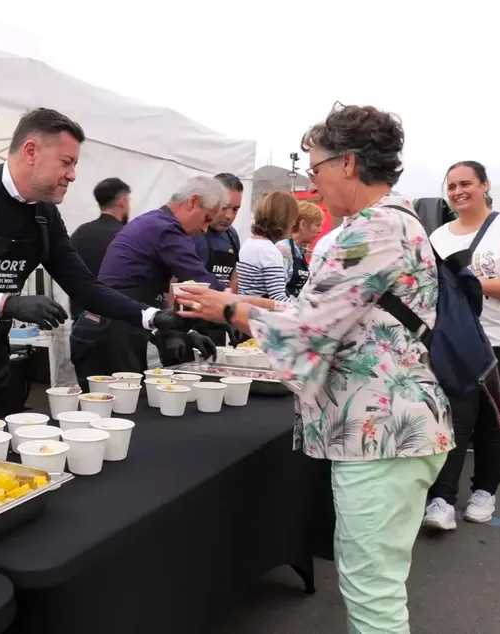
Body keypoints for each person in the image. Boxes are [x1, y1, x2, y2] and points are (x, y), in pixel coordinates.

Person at [174, 105, 453, 634]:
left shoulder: (373, 229)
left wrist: (228, 309)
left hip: (384, 433)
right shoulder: (392, 223)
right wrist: (240, 303)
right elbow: (322, 313)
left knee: (373, 596)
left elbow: (308, 334)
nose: (312, 178)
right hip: (392, 429)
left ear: (347, 163)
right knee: (373, 584)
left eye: (314, 164)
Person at [0, 108, 182, 441]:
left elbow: (85, 286)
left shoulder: (44, 215)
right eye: (67, 162)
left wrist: (153, 317)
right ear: (31, 152)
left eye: (75, 165)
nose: (73, 175)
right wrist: (9, 304)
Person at [422, 161, 500, 531]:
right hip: (459, 348)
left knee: (499, 424)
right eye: (452, 186)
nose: (459, 192)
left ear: (484, 185)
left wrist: (474, 285)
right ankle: (442, 500)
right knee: (453, 423)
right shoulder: (439, 236)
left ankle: (484, 492)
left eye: (466, 184)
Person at [69, 176, 226, 387]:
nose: (206, 229)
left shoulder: (153, 221)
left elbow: (152, 294)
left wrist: (184, 332)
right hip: (111, 331)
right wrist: (236, 310)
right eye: (207, 219)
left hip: (105, 327)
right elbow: (199, 280)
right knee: (120, 410)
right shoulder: (166, 229)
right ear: (193, 202)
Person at [69, 177, 131, 317]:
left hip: (82, 321)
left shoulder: (79, 233)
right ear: (123, 201)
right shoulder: (128, 236)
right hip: (116, 321)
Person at [236, 192, 300, 303]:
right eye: (293, 219)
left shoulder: (249, 243)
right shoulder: (269, 252)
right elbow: (277, 298)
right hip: (261, 314)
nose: (294, 224)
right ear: (284, 220)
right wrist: (301, 307)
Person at [194, 173, 243, 291]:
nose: (229, 216)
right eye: (224, 207)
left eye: (235, 209)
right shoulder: (192, 231)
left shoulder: (232, 235)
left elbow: (234, 278)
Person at [275, 199, 324, 298]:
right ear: (303, 225)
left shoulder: (300, 252)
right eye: (317, 225)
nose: (320, 230)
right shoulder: (284, 250)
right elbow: (277, 292)